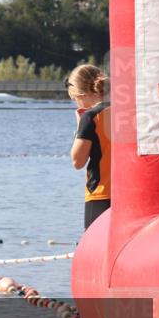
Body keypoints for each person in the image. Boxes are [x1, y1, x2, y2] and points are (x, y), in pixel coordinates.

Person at [68, 64, 111, 229]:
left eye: (74, 99)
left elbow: (77, 162)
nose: (77, 104)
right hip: (129, 192)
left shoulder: (90, 116)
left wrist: (80, 128)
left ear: (82, 94)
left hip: (101, 194)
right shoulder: (127, 110)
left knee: (99, 252)